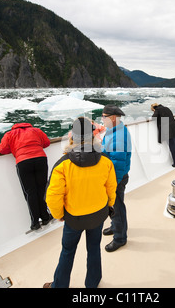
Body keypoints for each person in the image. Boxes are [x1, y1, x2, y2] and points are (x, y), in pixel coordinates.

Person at [43, 117, 117, 288]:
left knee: (67, 252)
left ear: (72, 137)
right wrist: (109, 205)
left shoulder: (62, 165)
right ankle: (93, 283)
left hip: (74, 218)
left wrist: (59, 215)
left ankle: (59, 286)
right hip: (98, 215)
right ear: (92, 137)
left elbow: (53, 196)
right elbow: (111, 188)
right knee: (94, 250)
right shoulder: (105, 161)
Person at [0, 123, 52, 231]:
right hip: (40, 158)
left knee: (30, 192)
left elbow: (2, 149)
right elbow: (47, 142)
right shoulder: (36, 130)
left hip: (23, 161)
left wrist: (16, 149)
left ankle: (35, 222)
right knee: (42, 189)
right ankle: (45, 217)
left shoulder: (9, 134)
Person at [101, 104, 132, 252]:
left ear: (113, 118)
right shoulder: (114, 129)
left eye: (104, 117)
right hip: (113, 177)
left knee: (117, 208)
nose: (102, 119)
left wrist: (114, 184)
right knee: (114, 206)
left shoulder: (118, 137)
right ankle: (115, 227)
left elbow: (118, 165)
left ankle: (120, 238)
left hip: (116, 178)